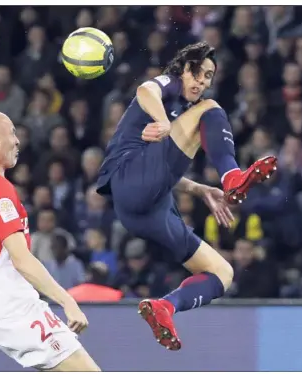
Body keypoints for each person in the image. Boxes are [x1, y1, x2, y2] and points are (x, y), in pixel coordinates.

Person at [96, 42, 277, 351]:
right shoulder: (170, 84)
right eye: (200, 73)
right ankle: (232, 176)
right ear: (184, 69)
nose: (203, 82)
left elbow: (160, 170)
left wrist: (198, 188)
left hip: (148, 208)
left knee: (222, 272)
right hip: (127, 180)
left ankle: (164, 308)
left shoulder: (190, 109)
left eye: (209, 77)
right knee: (211, 109)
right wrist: (164, 121)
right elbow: (145, 91)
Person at [0, 111, 100, 371]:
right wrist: (67, 301)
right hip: (11, 305)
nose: (17, 140)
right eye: (11, 133)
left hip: (0, 303)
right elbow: (21, 259)